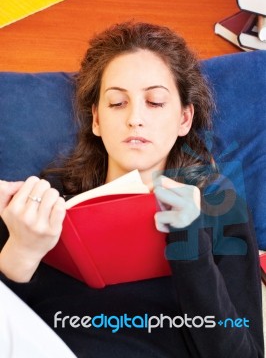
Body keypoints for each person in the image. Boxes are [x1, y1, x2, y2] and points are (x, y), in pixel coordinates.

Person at [0, 22, 264, 357]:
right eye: (116, 103)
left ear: (184, 118)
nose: (134, 118)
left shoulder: (216, 203)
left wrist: (190, 247)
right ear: (96, 119)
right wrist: (20, 253)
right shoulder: (46, 198)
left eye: (154, 102)